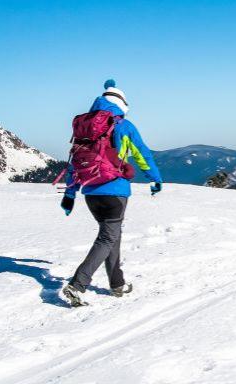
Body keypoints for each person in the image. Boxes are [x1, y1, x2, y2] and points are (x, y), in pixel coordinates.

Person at [59, 79, 163, 307]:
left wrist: (70, 194)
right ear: (122, 104)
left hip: (90, 194)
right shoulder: (123, 125)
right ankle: (78, 285)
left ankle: (117, 284)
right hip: (114, 191)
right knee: (107, 237)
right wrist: (155, 179)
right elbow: (142, 154)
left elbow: (75, 163)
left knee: (112, 235)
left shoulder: (85, 128)